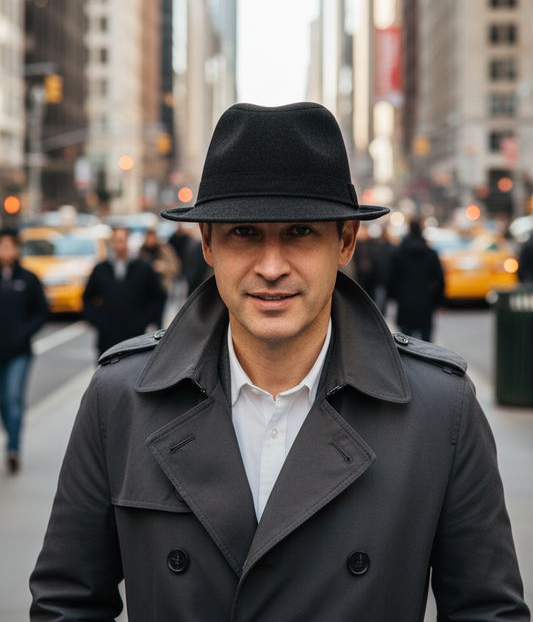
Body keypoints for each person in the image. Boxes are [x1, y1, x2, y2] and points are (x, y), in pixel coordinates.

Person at [31, 103, 528, 622]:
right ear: (207, 243)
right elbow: (68, 604)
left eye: (300, 232)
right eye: (244, 233)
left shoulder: (441, 411)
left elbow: (486, 611)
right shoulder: (121, 400)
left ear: (345, 241)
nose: (271, 267)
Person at [0, 229, 48, 474]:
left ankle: (13, 448)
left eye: (9, 246)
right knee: (2, 403)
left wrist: (24, 332)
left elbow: (42, 310)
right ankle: (11, 438)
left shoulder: (28, 278)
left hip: (19, 352)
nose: (5, 251)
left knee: (13, 398)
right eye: (2, 246)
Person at [82, 226, 166, 356]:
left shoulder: (143, 268)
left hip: (135, 336)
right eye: (116, 240)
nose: (119, 245)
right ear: (112, 242)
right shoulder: (100, 269)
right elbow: (87, 298)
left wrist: (145, 320)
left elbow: (158, 296)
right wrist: (98, 321)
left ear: (128, 241)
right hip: (107, 338)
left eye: (122, 240)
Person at [388, 217, 445, 342]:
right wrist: (437, 301)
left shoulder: (398, 253)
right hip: (425, 304)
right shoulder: (431, 254)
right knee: (427, 349)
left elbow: (391, 279)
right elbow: (440, 280)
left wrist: (396, 297)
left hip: (405, 304)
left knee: (406, 345)